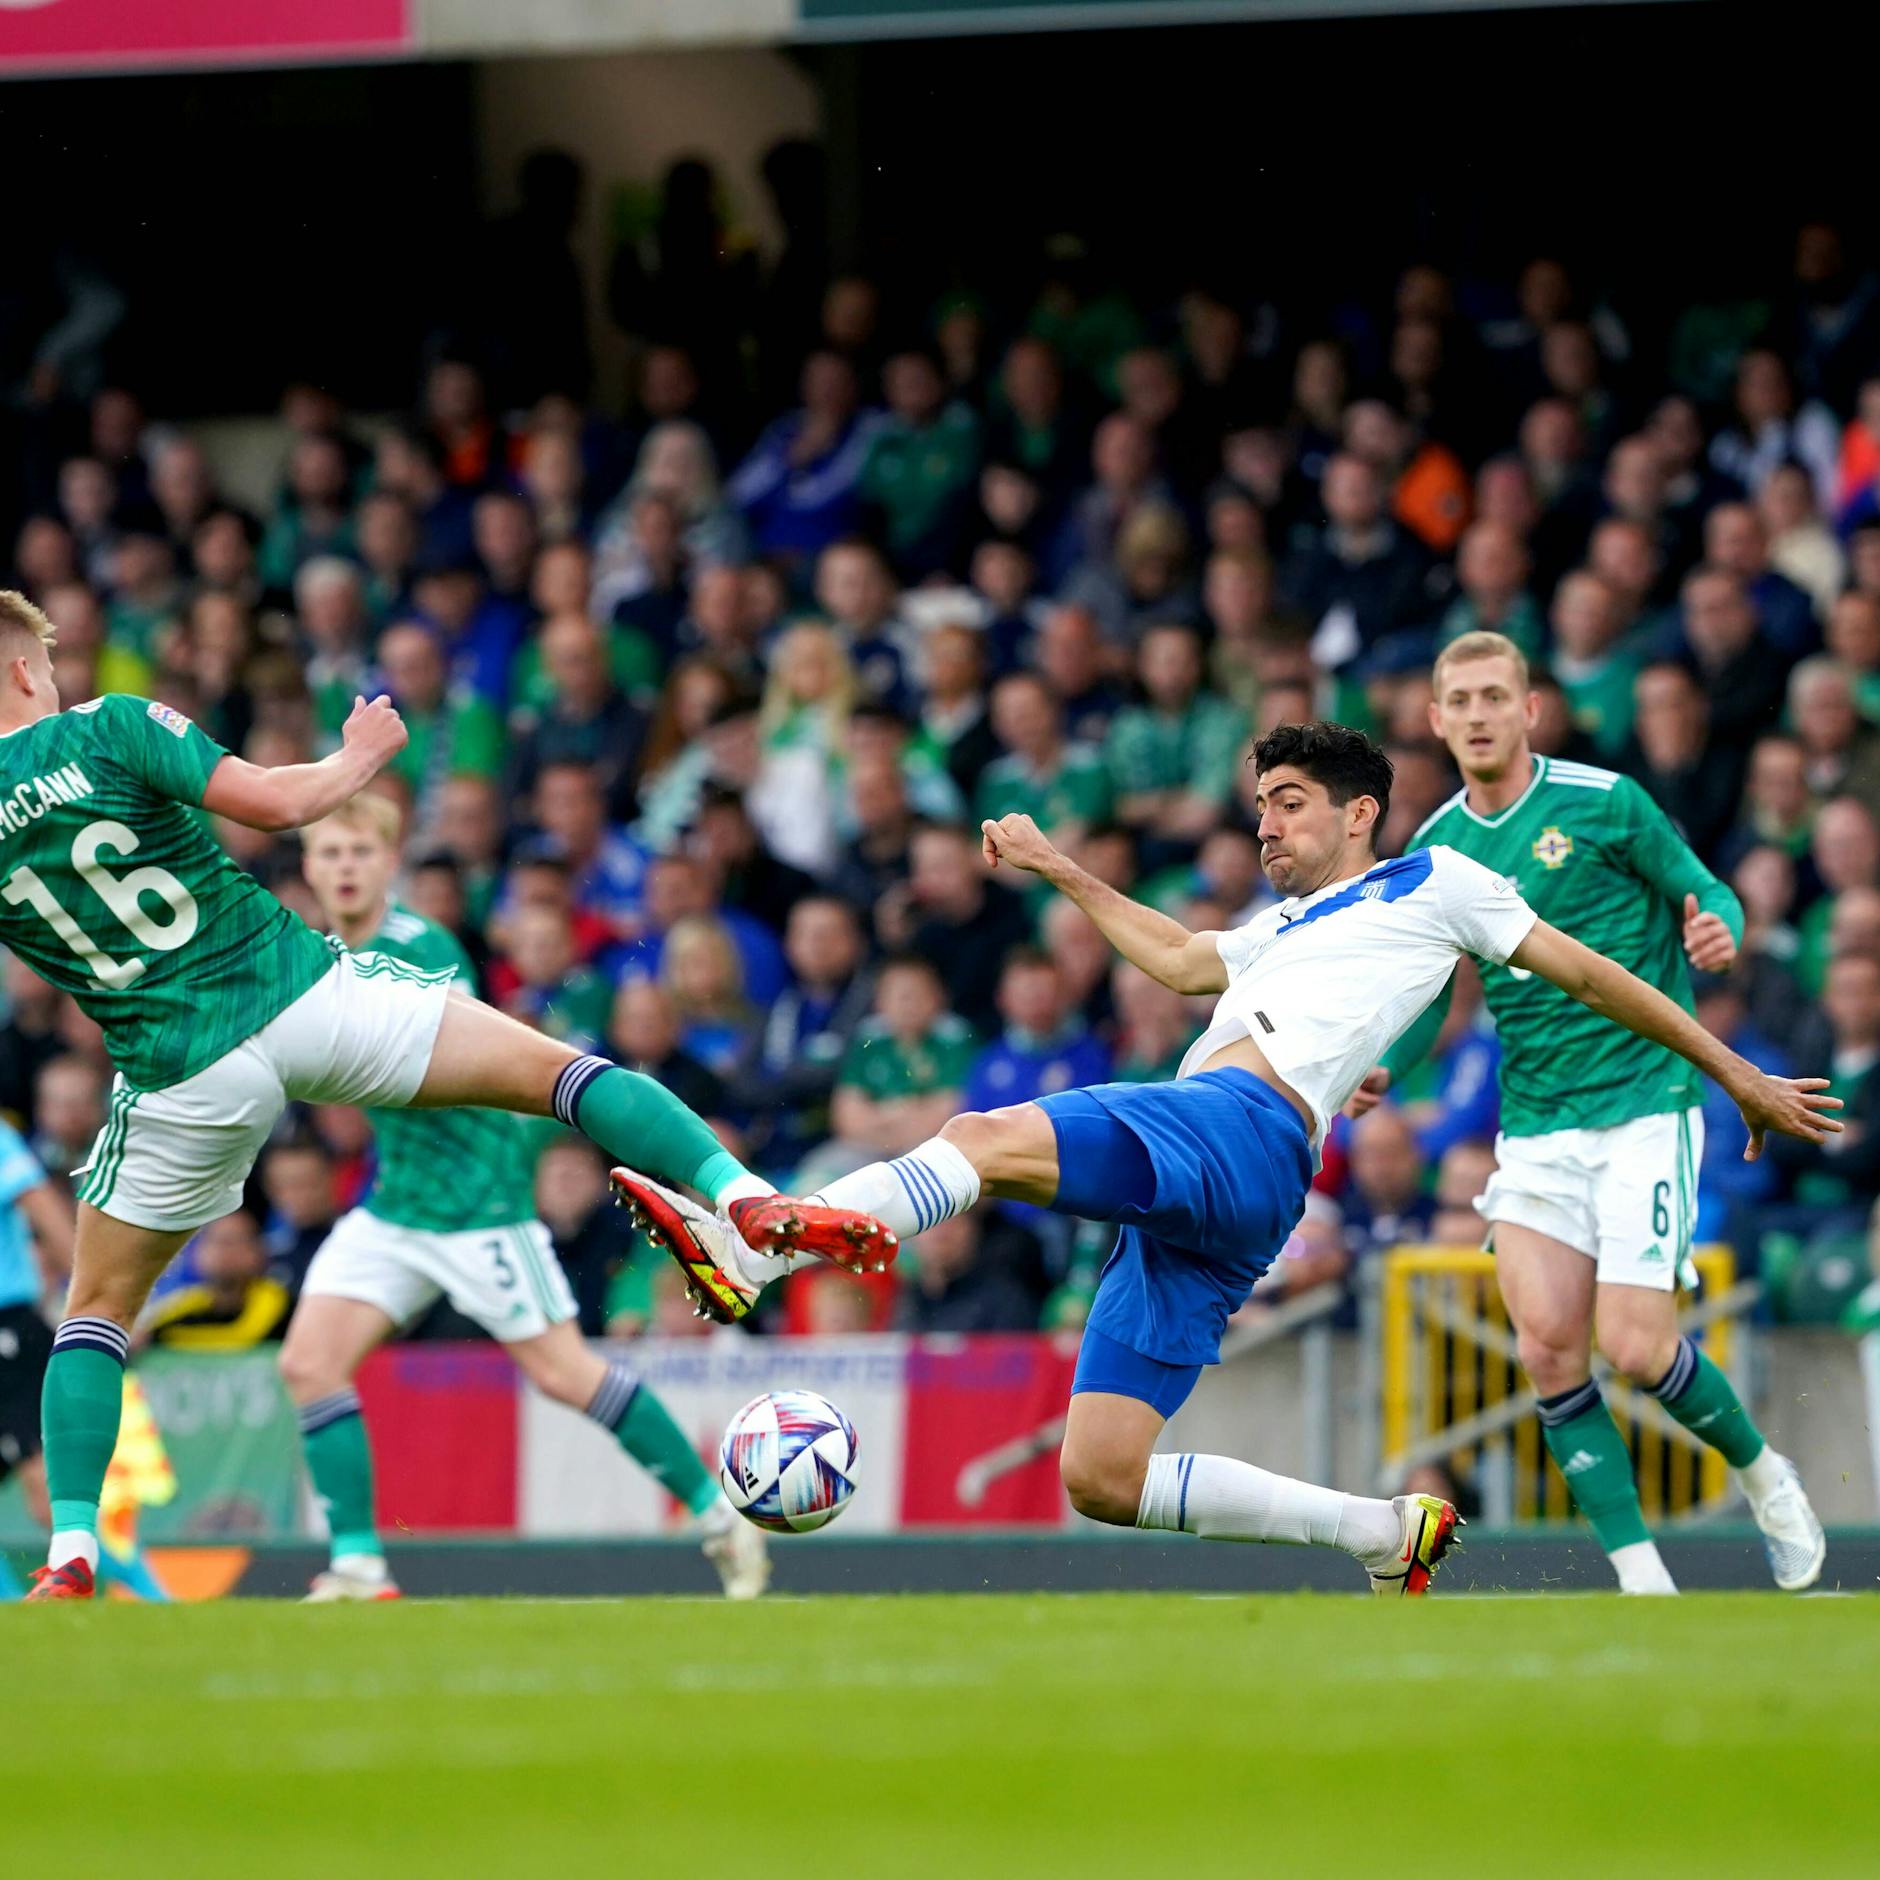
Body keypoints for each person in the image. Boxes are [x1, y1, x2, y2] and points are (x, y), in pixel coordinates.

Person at [629, 720, 1837, 1594]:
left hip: (1232, 1129)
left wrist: (1731, 1071)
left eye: (1292, 800)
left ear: (1360, 812)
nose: (1266, 821)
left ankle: (757, 1247)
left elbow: (1587, 969)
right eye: (1261, 805)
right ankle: (1380, 1530)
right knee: (1100, 1474)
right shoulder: (1285, 927)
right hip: (1238, 1185)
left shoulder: (1439, 877)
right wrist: (1059, 866)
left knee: (981, 1139)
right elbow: (1173, 957)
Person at [0, 590, 885, 1600]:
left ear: (378, 862)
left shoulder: (420, 935)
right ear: (31, 670)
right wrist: (360, 754)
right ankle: (736, 1195)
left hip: (197, 1079)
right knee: (562, 1074)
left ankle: (72, 1549)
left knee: (97, 1315)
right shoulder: (109, 724)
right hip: (294, 995)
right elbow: (282, 805)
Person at [1356, 630, 1827, 1593]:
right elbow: (1437, 998)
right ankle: (1641, 1579)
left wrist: (1716, 931)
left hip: (1646, 1102)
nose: (1480, 715)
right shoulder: (1436, 849)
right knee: (1544, 1347)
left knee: (1638, 1345)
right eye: (1462, 700)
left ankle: (1765, 1475)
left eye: (1498, 696)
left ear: (1531, 710)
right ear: (1436, 721)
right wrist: (1383, 1069)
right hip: (1534, 1127)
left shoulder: (1607, 801)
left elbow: (1709, 892)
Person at [277, 795, 766, 1600]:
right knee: (309, 1363)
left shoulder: (420, 948)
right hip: (398, 1202)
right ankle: (360, 1563)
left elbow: (433, 1065)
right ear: (308, 867)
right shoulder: (322, 953)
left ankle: (718, 1515)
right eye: (330, 854)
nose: (346, 868)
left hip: (479, 1203)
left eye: (361, 852)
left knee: (566, 1374)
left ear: (389, 862)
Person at [0, 1117, 74, 1600]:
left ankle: (154, 1598)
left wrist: (90, 1295)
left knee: (43, 1483)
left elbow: (40, 1202)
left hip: (10, 1327)